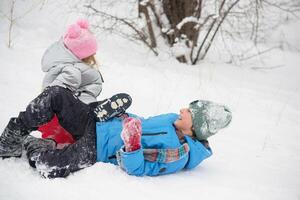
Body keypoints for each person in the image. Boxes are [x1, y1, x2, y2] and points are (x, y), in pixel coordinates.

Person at [0, 86, 232, 178]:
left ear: (196, 127)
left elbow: (139, 168)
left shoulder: (177, 154)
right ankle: (12, 136)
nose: (182, 109)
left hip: (97, 149)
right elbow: (141, 123)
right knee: (56, 95)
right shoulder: (172, 119)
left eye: (190, 112)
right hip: (98, 122)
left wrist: (132, 146)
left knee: (49, 166)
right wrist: (117, 115)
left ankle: (36, 146)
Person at [38, 19, 104, 146]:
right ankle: (95, 116)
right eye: (91, 56)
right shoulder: (72, 70)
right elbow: (58, 95)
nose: (93, 59)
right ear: (81, 55)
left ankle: (95, 115)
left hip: (61, 117)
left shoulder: (66, 66)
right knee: (88, 125)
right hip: (61, 120)